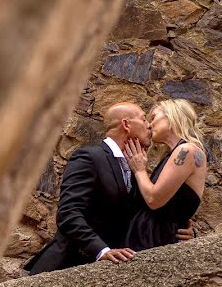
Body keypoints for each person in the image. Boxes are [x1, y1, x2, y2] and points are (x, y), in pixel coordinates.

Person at [24, 102, 193, 275]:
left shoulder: (137, 168)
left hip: (106, 275)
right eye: (144, 120)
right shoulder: (89, 158)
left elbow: (140, 218)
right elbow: (68, 213)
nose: (149, 125)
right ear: (126, 124)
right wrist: (102, 251)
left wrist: (177, 229)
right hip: (65, 266)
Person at [123, 98, 207, 251]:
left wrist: (140, 170)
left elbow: (154, 199)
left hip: (153, 242)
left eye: (153, 117)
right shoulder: (174, 154)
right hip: (151, 238)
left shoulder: (187, 150)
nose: (149, 124)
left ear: (172, 116)